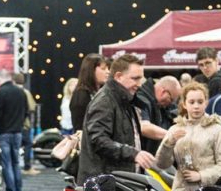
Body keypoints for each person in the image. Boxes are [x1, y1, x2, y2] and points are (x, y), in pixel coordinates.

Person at [78, 54, 155, 183]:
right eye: (135, 78)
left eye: (140, 79)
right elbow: (99, 141)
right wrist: (133, 154)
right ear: (118, 76)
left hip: (116, 180)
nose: (139, 84)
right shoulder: (105, 101)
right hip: (106, 184)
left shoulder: (124, 99)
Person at [154, 82, 221, 191]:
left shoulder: (216, 130)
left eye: (200, 102)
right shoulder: (175, 129)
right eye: (191, 102)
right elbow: (161, 164)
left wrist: (201, 175)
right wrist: (168, 144)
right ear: (184, 104)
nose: (196, 106)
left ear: (206, 103)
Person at [0, 69, 27, 191]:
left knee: (7, 165)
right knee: (16, 163)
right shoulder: (21, 92)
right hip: (17, 132)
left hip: (3, 133)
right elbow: (26, 112)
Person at [134, 76, 181, 153]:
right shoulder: (140, 99)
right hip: (141, 157)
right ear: (163, 92)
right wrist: (172, 135)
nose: (170, 104)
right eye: (171, 99)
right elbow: (143, 127)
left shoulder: (162, 105)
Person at [69, 53, 109, 131]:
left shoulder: (99, 92)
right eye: (103, 69)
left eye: (108, 69)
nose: (108, 72)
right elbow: (80, 128)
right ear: (91, 70)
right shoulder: (81, 95)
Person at [15, 73, 41, 175]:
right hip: (24, 124)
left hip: (11, 125)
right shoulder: (25, 92)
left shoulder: (9, 91)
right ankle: (27, 167)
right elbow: (32, 107)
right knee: (28, 144)